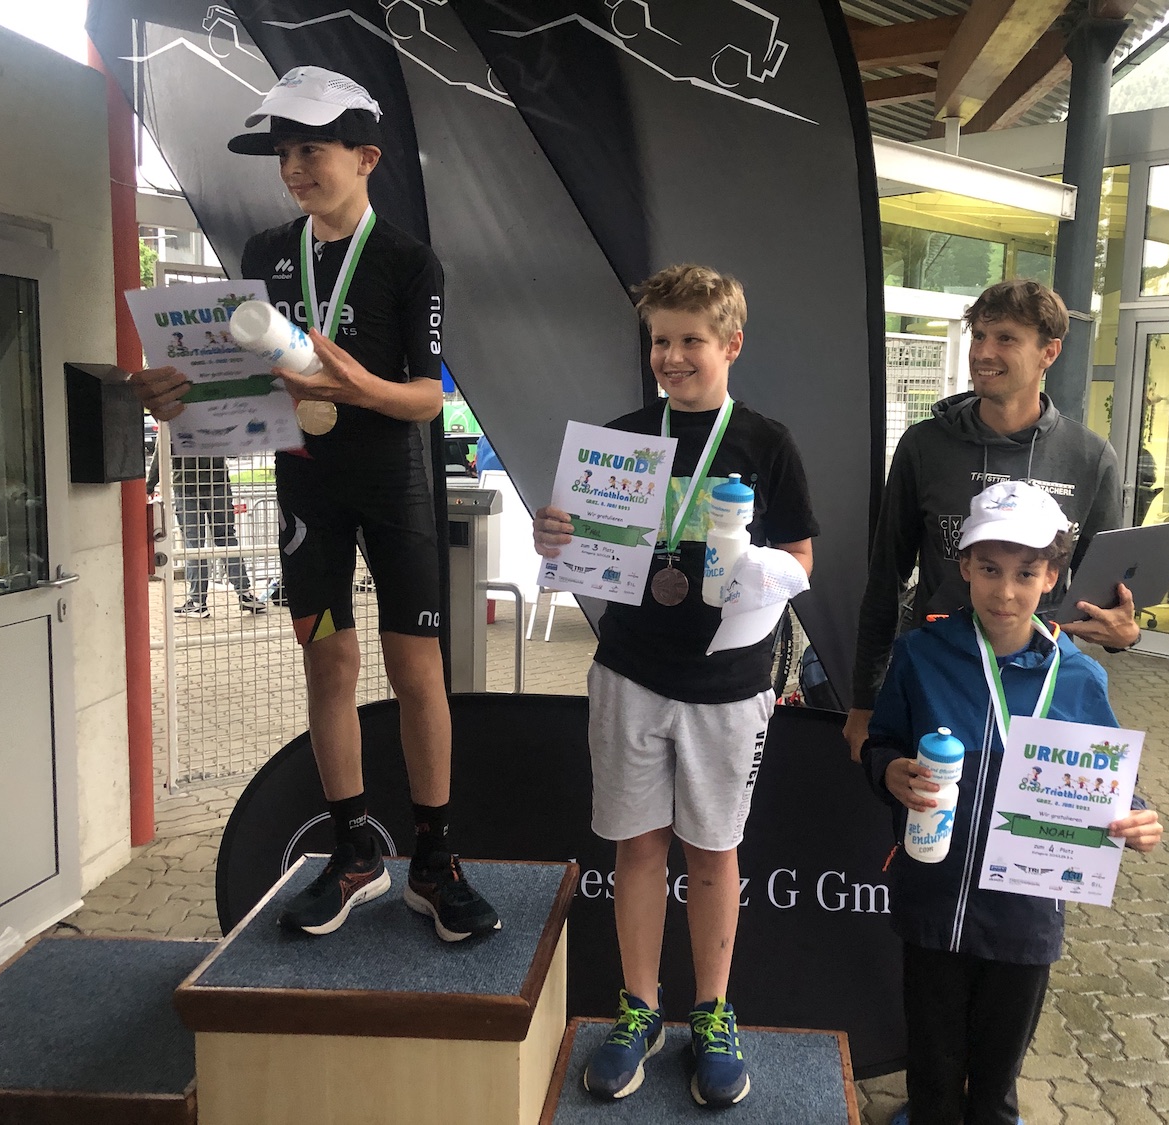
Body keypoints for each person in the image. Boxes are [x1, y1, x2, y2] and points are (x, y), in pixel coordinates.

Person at [128, 67, 499, 942]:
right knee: (328, 667)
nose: (294, 168)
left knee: (416, 671)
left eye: (311, 150)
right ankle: (355, 853)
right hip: (306, 490)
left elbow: (427, 397)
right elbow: (242, 374)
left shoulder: (409, 260)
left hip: (398, 487)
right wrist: (178, 393)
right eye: (284, 154)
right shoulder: (264, 255)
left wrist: (360, 387)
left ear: (365, 157)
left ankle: (435, 859)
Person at [533, 264, 817, 1107]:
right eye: (660, 339)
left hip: (729, 682)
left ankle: (714, 1012)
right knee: (638, 845)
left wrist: (755, 566)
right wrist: (555, 537)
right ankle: (639, 1007)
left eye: (691, 339)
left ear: (732, 344)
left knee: (714, 848)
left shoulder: (766, 443)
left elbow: (802, 559)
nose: (672, 355)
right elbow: (579, 549)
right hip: (630, 671)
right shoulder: (620, 442)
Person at [863, 480, 1163, 1125]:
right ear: (964, 567)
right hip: (935, 899)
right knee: (933, 1074)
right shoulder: (921, 656)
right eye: (990, 569)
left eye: (1026, 573)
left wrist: (1135, 816)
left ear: (1052, 576)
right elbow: (882, 741)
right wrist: (888, 771)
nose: (1005, 591)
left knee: (996, 1082)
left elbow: (1110, 782)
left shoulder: (1079, 676)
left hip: (1026, 912)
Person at [846, 280, 1141, 762]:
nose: (984, 352)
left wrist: (1125, 636)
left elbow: (1105, 598)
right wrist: (863, 701)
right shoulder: (925, 446)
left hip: (1039, 691)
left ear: (1049, 352)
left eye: (1006, 338)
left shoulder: (1090, 458)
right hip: (938, 681)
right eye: (979, 336)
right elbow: (884, 579)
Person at [147, 452, 268, 618]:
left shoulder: (174, 431)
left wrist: (149, 486)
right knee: (226, 539)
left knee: (194, 545)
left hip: (187, 485)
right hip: (218, 483)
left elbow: (161, 453)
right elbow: (233, 451)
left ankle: (198, 602)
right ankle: (244, 593)